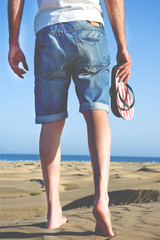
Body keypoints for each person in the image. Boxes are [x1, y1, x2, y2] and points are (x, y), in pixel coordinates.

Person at [8, 0, 132, 237]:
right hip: (90, 27)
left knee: (51, 122)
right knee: (97, 111)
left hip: (48, 31)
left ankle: (54, 212)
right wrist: (122, 45)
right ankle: (101, 200)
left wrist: (13, 42)